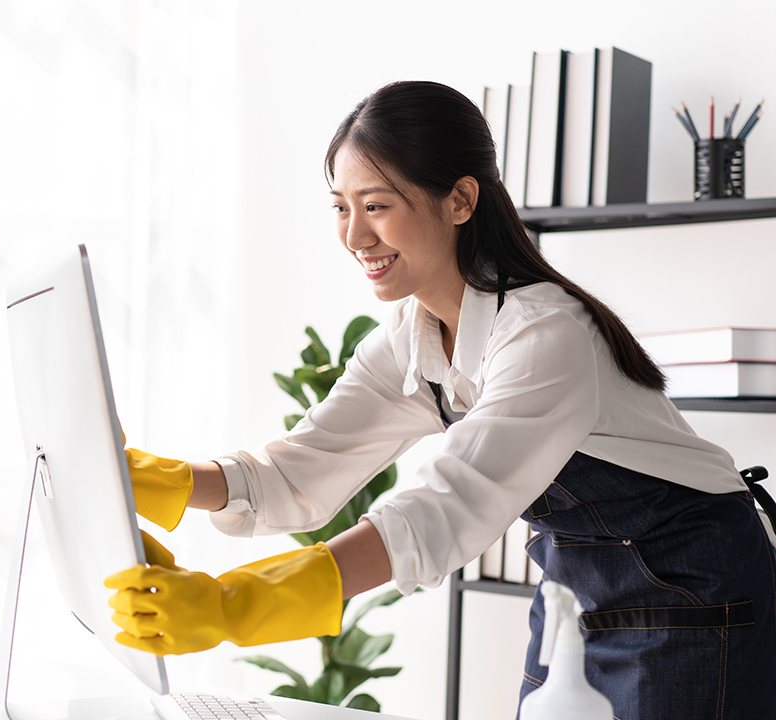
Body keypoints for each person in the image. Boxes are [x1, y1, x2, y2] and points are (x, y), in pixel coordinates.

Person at [103, 81, 776, 719]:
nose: (354, 236)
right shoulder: (412, 336)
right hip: (574, 600)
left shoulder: (546, 333)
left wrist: (233, 604)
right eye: (341, 206)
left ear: (459, 200)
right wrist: (144, 481)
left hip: (696, 595)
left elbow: (448, 505)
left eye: (377, 205)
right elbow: (298, 471)